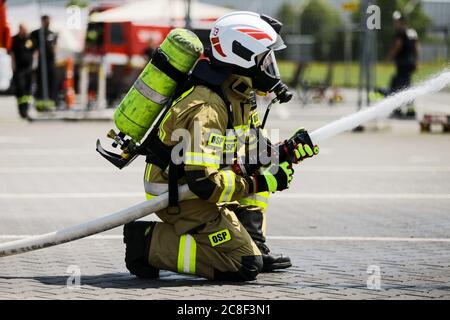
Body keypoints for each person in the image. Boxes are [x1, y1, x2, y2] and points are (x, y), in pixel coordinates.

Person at [123, 12, 319, 281]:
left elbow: (253, 150)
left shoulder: (238, 94)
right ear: (243, 54)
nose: (271, 68)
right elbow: (204, 182)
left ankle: (254, 242)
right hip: (178, 194)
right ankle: (148, 244)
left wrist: (286, 152)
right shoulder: (209, 107)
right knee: (245, 265)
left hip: (199, 183)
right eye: (266, 60)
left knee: (262, 170)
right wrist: (264, 182)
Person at [386, 11, 419, 117]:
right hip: (410, 63)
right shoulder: (411, 31)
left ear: (401, 21)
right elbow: (417, 47)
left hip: (403, 64)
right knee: (402, 84)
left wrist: (389, 57)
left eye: (396, 21)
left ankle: (400, 110)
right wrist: (417, 60)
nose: (395, 23)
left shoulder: (400, 32)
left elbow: (398, 45)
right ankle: (409, 110)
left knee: (401, 87)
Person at [30, 15, 58, 111]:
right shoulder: (36, 33)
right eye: (46, 21)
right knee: (41, 83)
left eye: (49, 21)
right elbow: (31, 46)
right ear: (42, 21)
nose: (47, 23)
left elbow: (55, 47)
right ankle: (40, 104)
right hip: (41, 64)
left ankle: (50, 104)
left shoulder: (52, 34)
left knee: (51, 83)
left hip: (50, 63)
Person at [10, 24, 34, 119]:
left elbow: (34, 51)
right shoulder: (15, 40)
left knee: (28, 90)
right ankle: (22, 110)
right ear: (19, 29)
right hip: (19, 70)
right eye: (23, 29)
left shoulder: (29, 40)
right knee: (20, 90)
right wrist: (13, 67)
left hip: (28, 69)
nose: (25, 31)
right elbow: (12, 54)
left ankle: (26, 110)